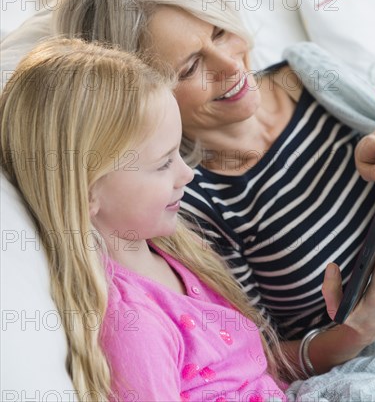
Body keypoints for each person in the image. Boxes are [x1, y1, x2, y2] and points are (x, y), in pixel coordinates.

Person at [54, 0, 375, 378]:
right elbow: (257, 360)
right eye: (191, 68)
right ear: (141, 99)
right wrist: (354, 335)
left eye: (219, 32)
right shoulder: (185, 202)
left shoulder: (307, 72)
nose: (230, 66)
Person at [0, 37, 307, 400]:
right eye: (163, 163)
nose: (187, 175)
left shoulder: (175, 250)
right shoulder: (133, 326)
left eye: (178, 153)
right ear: (87, 192)